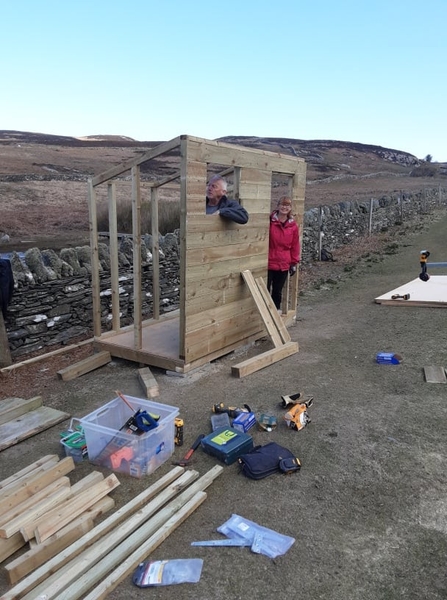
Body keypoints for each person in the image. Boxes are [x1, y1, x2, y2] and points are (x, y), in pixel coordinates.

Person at [267, 196, 300, 310]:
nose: (284, 207)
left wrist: (294, 263)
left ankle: (276, 314)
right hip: (269, 261)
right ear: (278, 206)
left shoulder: (293, 226)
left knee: (277, 292)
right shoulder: (269, 221)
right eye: (282, 204)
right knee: (265, 290)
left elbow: (295, 245)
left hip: (283, 263)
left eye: (287, 205)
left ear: (290, 208)